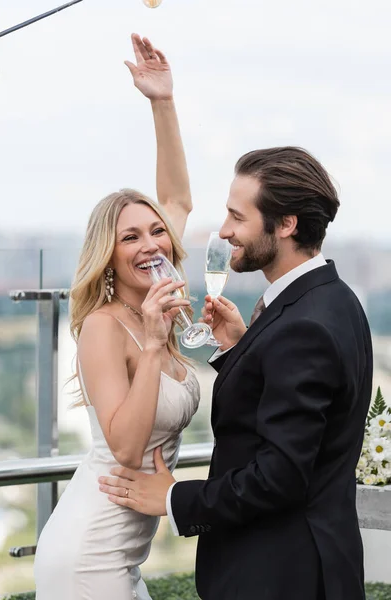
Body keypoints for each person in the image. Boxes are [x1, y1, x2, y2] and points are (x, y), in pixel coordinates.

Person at [99, 146, 373, 600]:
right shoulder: (335, 300)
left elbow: (279, 476)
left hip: (281, 576)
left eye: (236, 217)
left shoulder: (302, 324)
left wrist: (174, 497)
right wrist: (238, 352)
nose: (224, 232)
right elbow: (297, 415)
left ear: (285, 224)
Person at [34, 34, 200, 600]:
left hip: (123, 556)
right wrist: (153, 346)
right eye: (130, 236)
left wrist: (163, 101)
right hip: (88, 554)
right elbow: (127, 451)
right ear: (109, 255)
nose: (151, 242)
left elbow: (176, 197)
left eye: (156, 231)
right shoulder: (108, 326)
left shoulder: (155, 302)